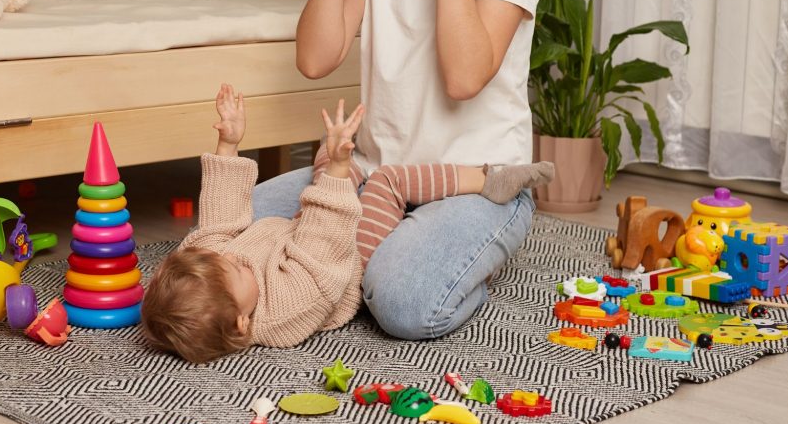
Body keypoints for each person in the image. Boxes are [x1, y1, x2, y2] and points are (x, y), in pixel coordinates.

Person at [253, 0, 550, 341]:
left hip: (474, 182)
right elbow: (316, 59)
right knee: (238, 223)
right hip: (372, 177)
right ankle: (389, 244)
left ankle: (436, 260)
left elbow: (464, 78)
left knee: (403, 303)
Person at [141, 84, 545, 363]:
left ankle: (367, 186)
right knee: (387, 182)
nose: (235, 258)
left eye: (225, 260)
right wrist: (336, 172)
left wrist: (228, 143)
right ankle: (489, 180)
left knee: (326, 161)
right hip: (343, 256)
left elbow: (218, 225)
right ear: (242, 321)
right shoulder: (284, 309)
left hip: (306, 233)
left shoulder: (221, 276)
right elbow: (321, 246)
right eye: (236, 270)